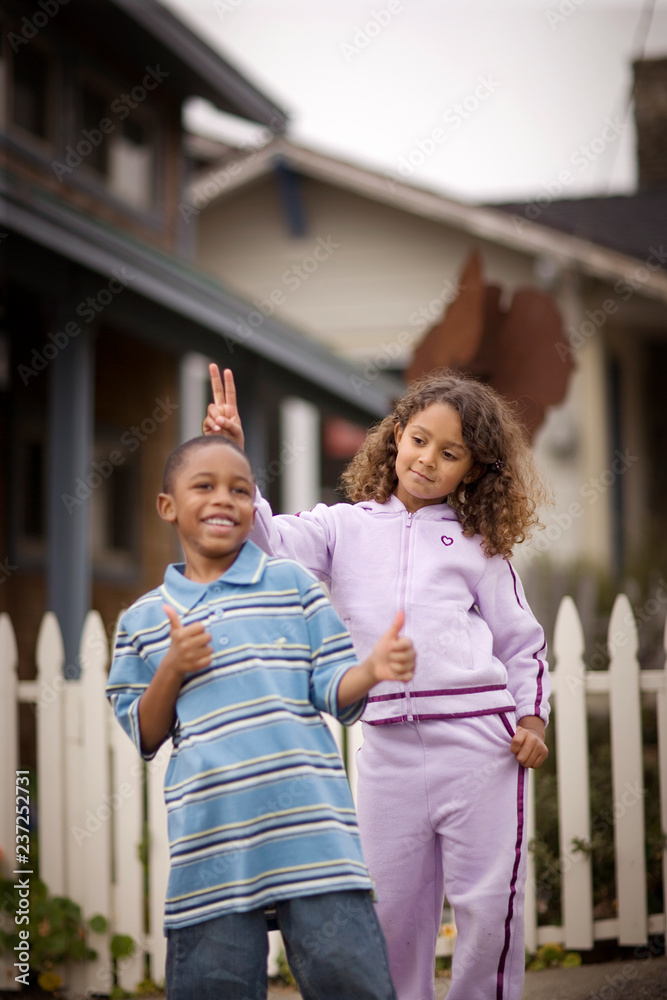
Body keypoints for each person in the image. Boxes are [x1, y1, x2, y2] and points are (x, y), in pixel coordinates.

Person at [204, 364, 552, 1000]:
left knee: (487, 906)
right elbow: (270, 542)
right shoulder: (343, 526)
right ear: (395, 436)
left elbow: (521, 642)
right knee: (389, 912)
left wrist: (531, 720)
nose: (428, 460)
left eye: (451, 453)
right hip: (388, 748)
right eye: (420, 440)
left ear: (472, 470)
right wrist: (234, 460)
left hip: (482, 747)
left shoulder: (478, 544)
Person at [106, 434, 416, 1000]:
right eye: (204, 486)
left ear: (255, 507)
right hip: (212, 845)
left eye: (240, 489)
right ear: (167, 505)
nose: (224, 499)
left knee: (355, 984)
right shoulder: (145, 620)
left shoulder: (294, 586)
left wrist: (371, 670)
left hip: (314, 839)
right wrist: (172, 668)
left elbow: (336, 693)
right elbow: (145, 732)